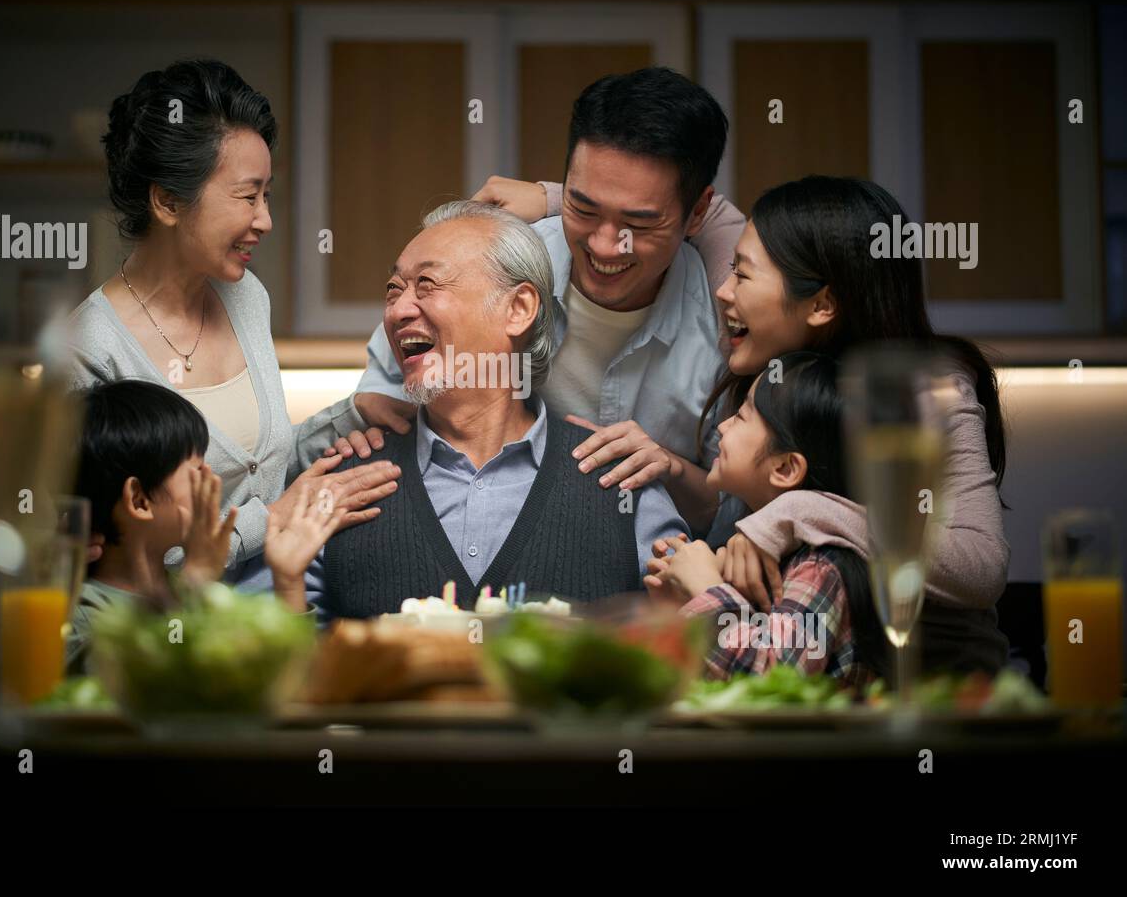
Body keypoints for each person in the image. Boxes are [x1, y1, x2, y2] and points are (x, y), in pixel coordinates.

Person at [251, 201, 689, 622]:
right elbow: (295, 682)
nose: (399, 310)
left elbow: (687, 649)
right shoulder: (342, 484)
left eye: (427, 285)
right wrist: (286, 583)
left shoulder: (622, 483)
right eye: (393, 291)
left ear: (517, 309)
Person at [348, 68, 743, 533]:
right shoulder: (493, 265)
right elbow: (382, 403)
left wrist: (669, 470)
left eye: (638, 225)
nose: (603, 245)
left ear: (697, 212)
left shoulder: (729, 324)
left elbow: (735, 509)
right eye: (583, 208)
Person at [66, 59, 403, 582]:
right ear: (168, 201)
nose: (264, 219)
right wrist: (269, 521)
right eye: (248, 196)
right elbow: (106, 558)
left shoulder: (246, 298)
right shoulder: (88, 348)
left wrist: (349, 416)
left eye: (267, 195)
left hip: (278, 608)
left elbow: (256, 470)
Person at [689, 176, 1010, 673]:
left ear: (821, 304)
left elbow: (980, 565)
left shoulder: (928, 393)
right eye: (731, 267)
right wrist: (551, 198)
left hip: (936, 703)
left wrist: (798, 510)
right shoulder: (780, 368)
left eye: (743, 275)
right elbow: (690, 209)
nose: (722, 289)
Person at [645, 352, 888, 686]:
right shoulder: (758, 554)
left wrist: (706, 587)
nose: (722, 425)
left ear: (785, 468)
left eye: (742, 416)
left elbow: (774, 677)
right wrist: (683, 605)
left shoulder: (821, 567)